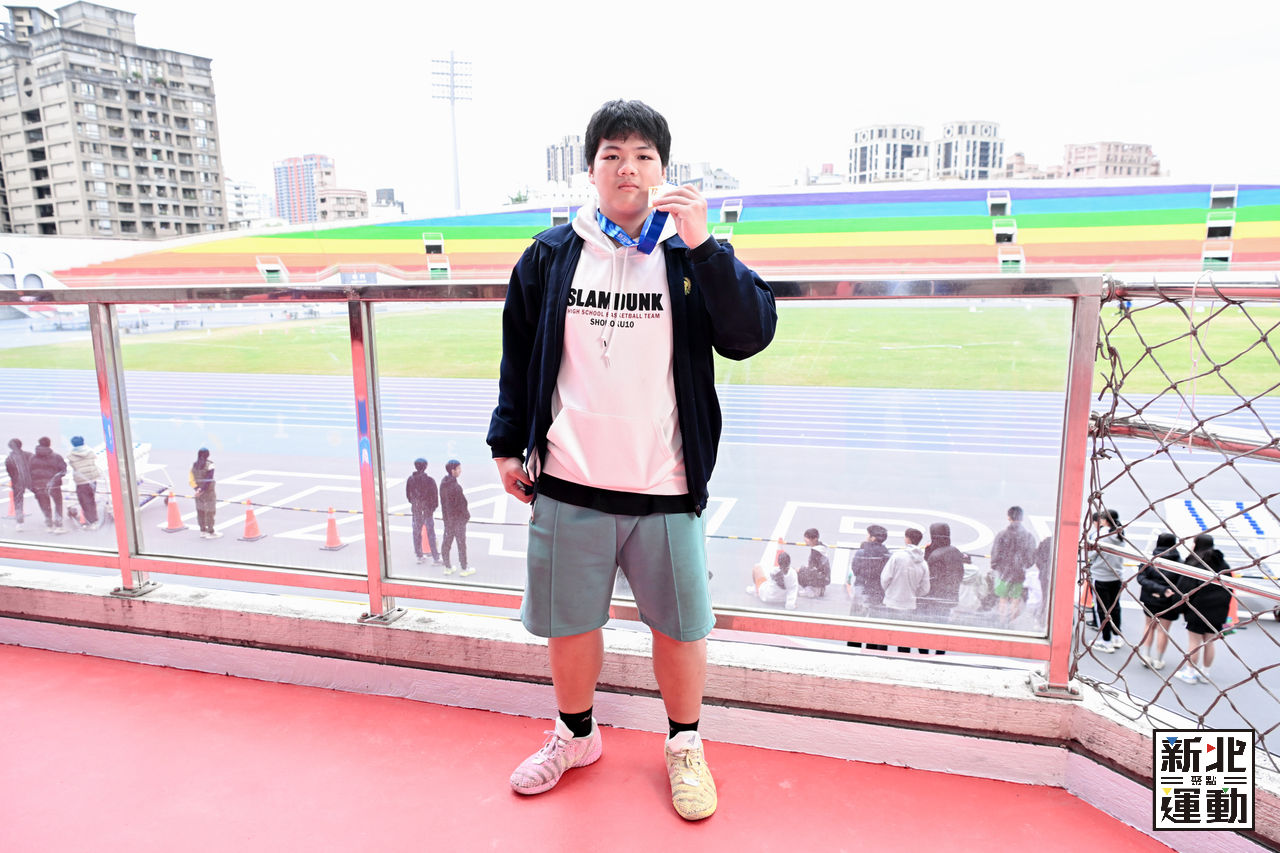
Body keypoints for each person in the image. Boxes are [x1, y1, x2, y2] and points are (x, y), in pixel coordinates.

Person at [486, 99, 777, 821]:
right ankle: (575, 735)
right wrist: (506, 442)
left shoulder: (688, 255)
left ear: (664, 171)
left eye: (644, 156)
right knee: (569, 624)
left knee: (681, 627)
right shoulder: (552, 253)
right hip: (570, 477)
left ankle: (685, 745)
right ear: (590, 170)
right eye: (612, 155)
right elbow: (519, 352)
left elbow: (749, 334)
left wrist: (705, 244)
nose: (628, 168)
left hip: (665, 481)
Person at [1176, 534, 1233, 685]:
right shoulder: (1223, 564)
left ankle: (1190, 672)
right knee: (1209, 642)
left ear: (1197, 545)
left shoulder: (1195, 563)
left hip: (1197, 609)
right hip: (1218, 610)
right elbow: (1230, 588)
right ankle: (1205, 673)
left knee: (1194, 641)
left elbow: (1186, 587)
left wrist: (1180, 607)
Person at [1134, 533, 1188, 671]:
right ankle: (1159, 659)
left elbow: (1141, 578)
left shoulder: (1149, 559)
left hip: (1150, 597)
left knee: (1148, 626)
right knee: (1163, 631)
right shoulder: (1180, 563)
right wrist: (1166, 590)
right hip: (1169, 600)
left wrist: (1158, 589)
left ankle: (1146, 655)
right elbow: (1182, 583)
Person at [990, 506, 1038, 625]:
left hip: (1003, 572)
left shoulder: (1002, 534)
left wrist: (995, 565)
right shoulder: (1028, 536)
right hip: (1019, 573)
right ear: (1021, 518)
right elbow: (1031, 557)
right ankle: (1011, 623)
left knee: (1003, 598)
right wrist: (1024, 565)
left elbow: (996, 553)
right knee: (1015, 598)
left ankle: (1002, 622)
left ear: (1008, 517)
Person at [1088, 509, 1127, 652]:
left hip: (1101, 576)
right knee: (1115, 607)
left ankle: (1106, 641)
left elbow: (1091, 555)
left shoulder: (1101, 535)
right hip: (1116, 576)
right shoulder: (1120, 533)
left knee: (1102, 609)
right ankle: (1117, 637)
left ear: (1104, 520)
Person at [920, 521, 968, 620]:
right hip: (951, 596)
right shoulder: (955, 551)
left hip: (935, 599)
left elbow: (929, 576)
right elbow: (960, 574)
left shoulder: (935, 556)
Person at [880, 528, 930, 616]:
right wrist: (913, 594)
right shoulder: (923, 563)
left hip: (892, 602)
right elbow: (925, 588)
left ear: (907, 539)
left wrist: (890, 591)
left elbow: (885, 578)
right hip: (910, 605)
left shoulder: (897, 556)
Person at [29, 436, 68, 533]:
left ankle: (49, 524)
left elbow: (28, 473)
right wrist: (55, 479)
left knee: (44, 505)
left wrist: (32, 486)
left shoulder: (32, 458)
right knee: (58, 504)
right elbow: (63, 471)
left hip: (39, 485)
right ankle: (59, 525)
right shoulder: (56, 457)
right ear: (49, 444)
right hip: (54, 485)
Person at [405, 458, 440, 565]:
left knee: (416, 533)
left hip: (416, 510)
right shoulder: (430, 481)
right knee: (431, 534)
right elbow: (435, 497)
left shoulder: (410, 480)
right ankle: (435, 557)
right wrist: (431, 508)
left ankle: (419, 555)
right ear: (426, 467)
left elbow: (408, 495)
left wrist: (415, 505)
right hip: (427, 511)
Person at [439, 459, 471, 576]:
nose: (460, 471)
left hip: (448, 519)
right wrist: (466, 517)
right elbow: (462, 505)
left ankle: (447, 567)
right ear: (453, 471)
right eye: (458, 469)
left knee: (446, 543)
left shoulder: (443, 484)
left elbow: (443, 503)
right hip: (458, 520)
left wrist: (446, 518)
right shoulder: (456, 487)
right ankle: (464, 568)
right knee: (461, 544)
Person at [66, 436, 103, 530]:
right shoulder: (90, 452)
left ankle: (91, 521)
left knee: (84, 502)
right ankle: (93, 520)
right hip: (92, 479)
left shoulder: (71, 456)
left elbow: (72, 466)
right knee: (91, 499)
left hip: (81, 481)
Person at [5, 438, 35, 533]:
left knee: (18, 501)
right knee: (42, 496)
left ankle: (19, 523)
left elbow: (10, 472)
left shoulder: (9, 459)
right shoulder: (29, 455)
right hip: (30, 480)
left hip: (17, 482)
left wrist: (15, 480)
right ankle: (49, 518)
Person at [190, 448, 220, 538]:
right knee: (210, 511)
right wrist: (202, 490)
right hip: (208, 492)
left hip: (198, 492)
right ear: (208, 455)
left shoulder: (194, 465)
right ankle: (211, 531)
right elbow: (209, 479)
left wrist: (197, 489)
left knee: (200, 510)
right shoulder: (210, 464)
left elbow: (191, 480)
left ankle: (202, 531)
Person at [796, 527, 832, 598]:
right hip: (825, 577)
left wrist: (800, 570)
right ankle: (819, 589)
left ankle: (811, 591)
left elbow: (812, 570)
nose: (805, 540)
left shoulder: (815, 552)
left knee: (798, 572)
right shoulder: (821, 546)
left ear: (814, 539)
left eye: (807, 538)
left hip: (821, 578)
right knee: (803, 569)